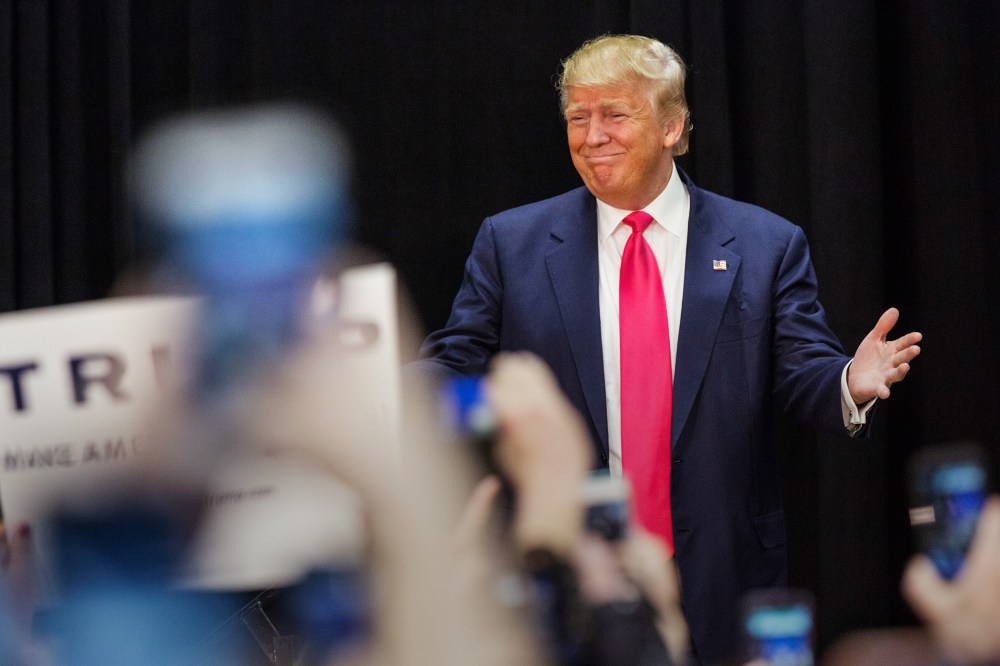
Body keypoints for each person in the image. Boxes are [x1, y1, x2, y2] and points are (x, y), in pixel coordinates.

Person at [416, 34, 922, 664]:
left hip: (721, 568)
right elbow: (457, 363)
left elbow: (801, 371)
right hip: (572, 578)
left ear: (672, 126)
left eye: (614, 115)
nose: (592, 135)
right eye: (578, 117)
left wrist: (850, 381)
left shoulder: (765, 245)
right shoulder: (511, 244)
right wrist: (390, 388)